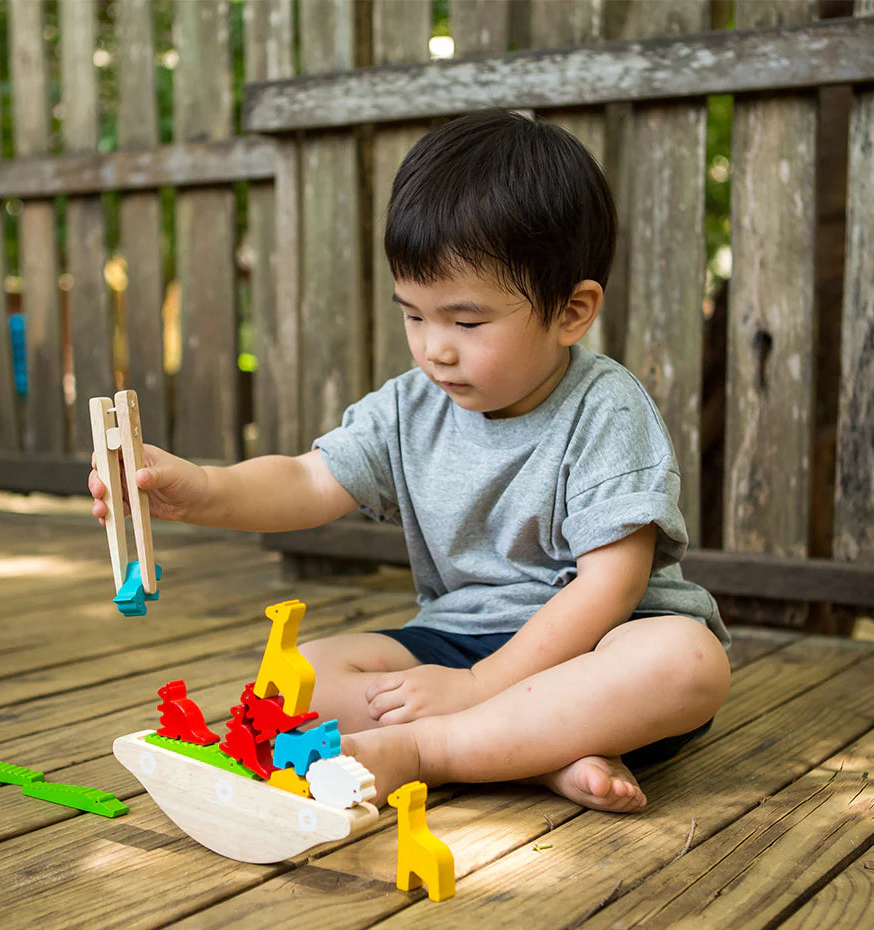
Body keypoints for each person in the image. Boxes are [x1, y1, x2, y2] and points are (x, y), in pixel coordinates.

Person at [90, 109, 731, 813]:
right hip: (458, 638)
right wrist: (200, 490)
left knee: (686, 661)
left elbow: (611, 586)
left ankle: (433, 750)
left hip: (596, 650)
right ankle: (534, 753)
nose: (434, 349)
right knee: (296, 678)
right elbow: (308, 479)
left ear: (571, 312)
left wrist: (480, 687)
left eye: (467, 321)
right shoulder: (410, 406)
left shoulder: (605, 408)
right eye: (414, 315)